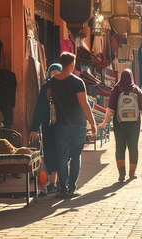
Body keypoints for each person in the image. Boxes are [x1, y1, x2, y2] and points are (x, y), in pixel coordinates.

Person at [47, 52, 97, 197]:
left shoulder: (53, 81)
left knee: (61, 157)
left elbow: (48, 98)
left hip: (60, 124)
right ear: (71, 64)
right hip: (77, 124)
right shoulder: (77, 82)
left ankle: (62, 188)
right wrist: (92, 123)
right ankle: (71, 188)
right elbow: (84, 104)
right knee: (75, 156)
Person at [99, 69, 142, 181]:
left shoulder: (116, 89)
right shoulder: (136, 89)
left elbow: (110, 109)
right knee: (133, 147)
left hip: (119, 124)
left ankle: (121, 174)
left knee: (120, 148)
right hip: (134, 124)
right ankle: (132, 172)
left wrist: (105, 122)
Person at [30, 63, 62, 195]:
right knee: (49, 154)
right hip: (48, 127)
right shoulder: (45, 88)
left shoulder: (64, 87)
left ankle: (61, 183)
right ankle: (53, 184)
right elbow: (39, 109)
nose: (54, 75)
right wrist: (34, 128)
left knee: (62, 154)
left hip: (62, 127)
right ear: (48, 74)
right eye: (52, 73)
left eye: (57, 73)